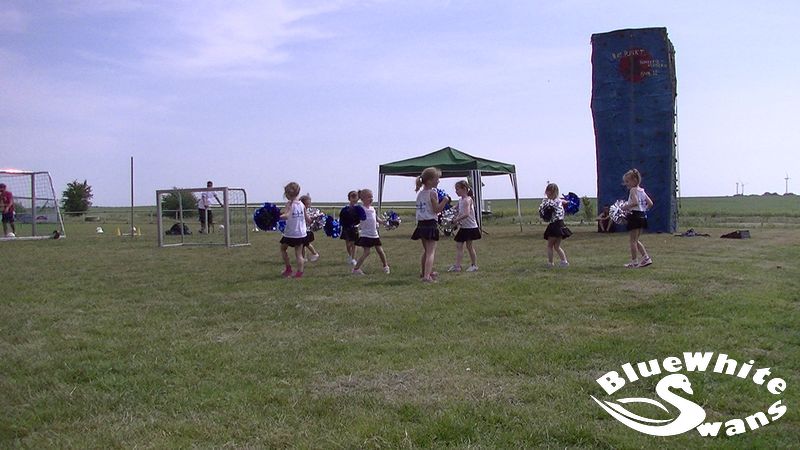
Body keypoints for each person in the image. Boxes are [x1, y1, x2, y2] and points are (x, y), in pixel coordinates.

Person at [411, 167, 450, 282]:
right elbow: (436, 209)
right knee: (430, 252)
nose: (438, 181)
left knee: (426, 251)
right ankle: (427, 277)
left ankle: (425, 272)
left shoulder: (420, 194)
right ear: (429, 181)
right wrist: (445, 200)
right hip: (430, 223)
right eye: (436, 179)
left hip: (421, 224)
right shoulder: (432, 193)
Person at [352, 189, 390, 275]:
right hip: (366, 234)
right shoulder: (361, 209)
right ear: (363, 199)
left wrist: (383, 222)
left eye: (372, 197)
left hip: (374, 234)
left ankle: (385, 266)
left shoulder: (373, 209)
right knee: (367, 252)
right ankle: (356, 269)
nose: (371, 199)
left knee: (380, 251)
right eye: (369, 197)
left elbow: (376, 218)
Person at [621, 168, 654, 268]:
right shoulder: (642, 191)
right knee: (636, 240)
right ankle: (646, 258)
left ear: (634, 180)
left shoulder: (633, 190)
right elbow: (650, 203)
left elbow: (635, 202)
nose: (626, 184)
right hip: (642, 216)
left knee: (632, 241)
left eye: (628, 181)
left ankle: (634, 262)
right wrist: (644, 209)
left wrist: (625, 207)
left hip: (635, 216)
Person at [448, 180, 481, 272]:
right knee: (459, 245)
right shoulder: (461, 200)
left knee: (469, 246)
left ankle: (474, 265)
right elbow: (456, 208)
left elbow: (466, 214)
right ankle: (457, 266)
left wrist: (456, 220)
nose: (456, 191)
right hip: (464, 227)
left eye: (458, 189)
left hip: (470, 227)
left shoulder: (467, 200)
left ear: (464, 189)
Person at [279, 182, 309, 278]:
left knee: (283, 249)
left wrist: (276, 217)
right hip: (301, 233)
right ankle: (299, 272)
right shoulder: (302, 204)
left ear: (288, 194)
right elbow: (307, 218)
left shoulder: (289, 204)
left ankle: (288, 269)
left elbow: (287, 216)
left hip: (291, 233)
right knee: (299, 254)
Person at [541, 183, 571, 268]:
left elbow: (545, 211)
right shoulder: (559, 201)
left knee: (550, 246)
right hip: (561, 225)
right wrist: (568, 202)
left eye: (547, 191)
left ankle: (550, 263)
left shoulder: (550, 202)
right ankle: (564, 262)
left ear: (549, 192)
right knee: (557, 246)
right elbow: (565, 202)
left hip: (554, 226)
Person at [339, 190, 361, 265]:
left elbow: (361, 218)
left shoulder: (359, 209)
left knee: (354, 244)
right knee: (348, 244)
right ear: (349, 198)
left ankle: (353, 259)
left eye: (355, 197)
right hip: (346, 228)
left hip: (354, 228)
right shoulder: (345, 209)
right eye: (352, 197)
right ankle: (350, 256)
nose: (354, 199)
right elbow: (341, 218)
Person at [299, 194, 320, 262]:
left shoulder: (308, 211)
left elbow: (310, 219)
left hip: (307, 231)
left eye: (309, 203)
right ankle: (303, 258)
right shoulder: (301, 210)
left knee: (306, 244)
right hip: (302, 230)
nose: (308, 205)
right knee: (302, 245)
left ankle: (315, 253)